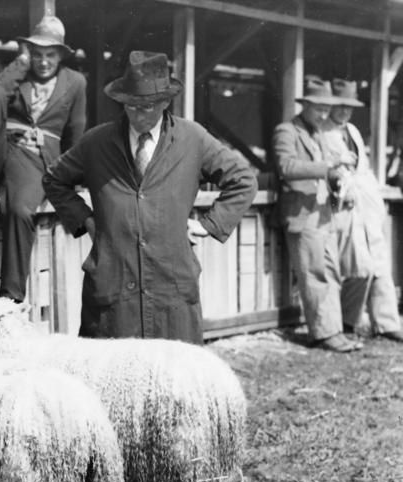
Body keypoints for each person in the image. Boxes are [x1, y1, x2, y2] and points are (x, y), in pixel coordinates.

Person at [43, 51, 257, 343]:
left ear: (166, 102)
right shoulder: (97, 142)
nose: (137, 114)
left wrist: (209, 224)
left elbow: (243, 180)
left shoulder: (192, 139)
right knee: (110, 377)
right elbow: (54, 179)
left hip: (171, 286)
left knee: (176, 377)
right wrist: (86, 221)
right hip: (113, 287)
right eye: (130, 106)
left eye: (146, 107)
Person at [0, 15, 87, 302]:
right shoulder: (19, 75)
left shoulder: (75, 83)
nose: (43, 62)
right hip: (2, 152)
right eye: (37, 54)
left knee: (20, 209)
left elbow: (75, 132)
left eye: (50, 55)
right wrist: (21, 63)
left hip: (37, 159)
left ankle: (11, 298)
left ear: (61, 55)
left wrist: (74, 178)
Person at [272, 77, 363, 352]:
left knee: (330, 273)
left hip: (323, 213)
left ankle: (334, 331)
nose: (324, 114)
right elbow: (286, 167)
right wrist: (329, 164)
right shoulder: (286, 131)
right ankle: (323, 334)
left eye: (327, 109)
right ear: (306, 105)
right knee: (314, 274)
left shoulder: (317, 133)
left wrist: (339, 181)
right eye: (318, 109)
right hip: (301, 215)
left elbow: (326, 171)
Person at [323, 78, 403, 343]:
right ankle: (348, 321)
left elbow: (363, 168)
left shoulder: (353, 131)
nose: (345, 111)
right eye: (340, 105)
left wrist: (374, 197)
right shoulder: (323, 133)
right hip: (344, 205)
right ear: (330, 104)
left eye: (349, 107)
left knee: (379, 261)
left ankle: (386, 322)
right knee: (359, 266)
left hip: (367, 203)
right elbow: (329, 172)